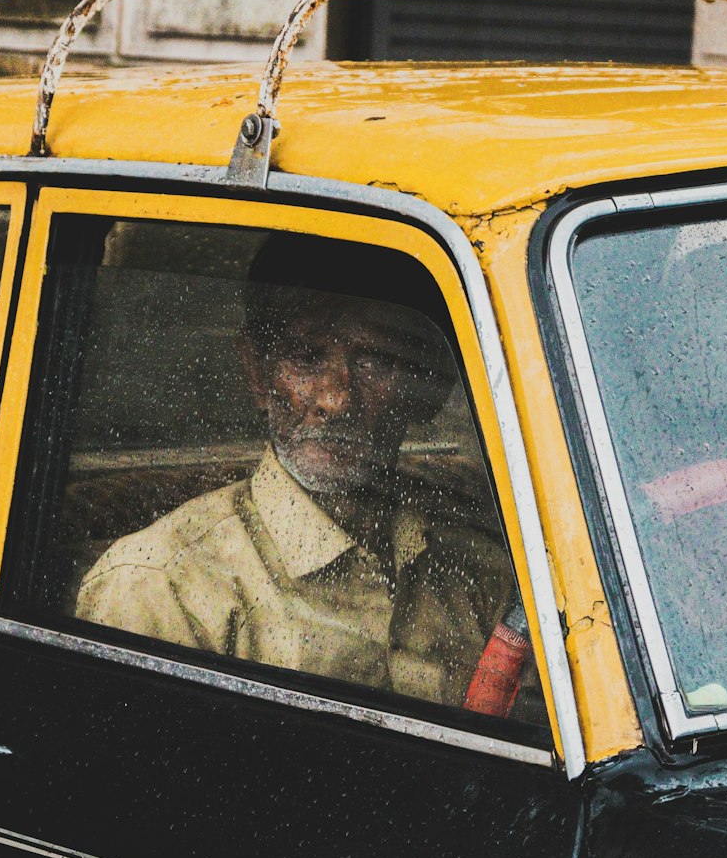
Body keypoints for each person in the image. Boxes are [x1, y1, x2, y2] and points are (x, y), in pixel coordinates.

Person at [75, 234, 515, 709]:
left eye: (375, 363)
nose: (335, 399)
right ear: (257, 371)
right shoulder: (161, 585)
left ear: (426, 390)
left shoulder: (481, 568)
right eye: (306, 358)